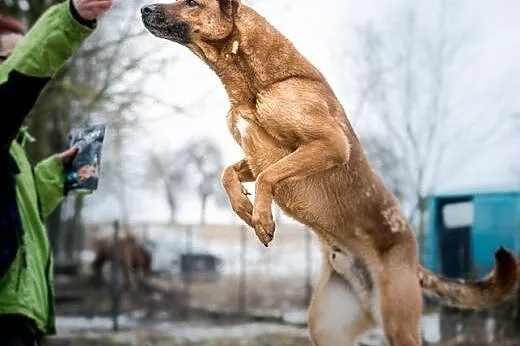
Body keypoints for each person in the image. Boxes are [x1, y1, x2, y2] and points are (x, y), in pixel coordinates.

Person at [0, 0, 112, 344]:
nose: (16, 68)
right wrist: (70, 19)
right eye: (7, 60)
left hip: (19, 316)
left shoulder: (13, 146)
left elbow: (16, 211)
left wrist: (54, 177)